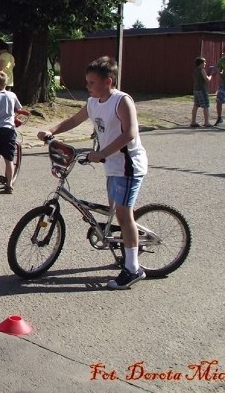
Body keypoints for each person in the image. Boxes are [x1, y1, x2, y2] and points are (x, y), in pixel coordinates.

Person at [37, 56, 148, 290]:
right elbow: (73, 120)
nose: (88, 87)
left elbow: (129, 133)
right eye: (87, 82)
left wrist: (101, 152)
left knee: (123, 213)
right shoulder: (93, 102)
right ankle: (128, 245)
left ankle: (133, 268)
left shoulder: (121, 101)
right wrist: (51, 130)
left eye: (92, 83)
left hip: (128, 164)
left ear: (108, 81)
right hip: (111, 164)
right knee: (115, 212)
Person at [190, 57, 215, 128]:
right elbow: (207, 79)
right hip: (202, 90)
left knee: (196, 105)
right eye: (204, 62)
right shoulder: (202, 70)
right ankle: (207, 122)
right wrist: (211, 75)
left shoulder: (195, 70)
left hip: (196, 89)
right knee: (206, 106)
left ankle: (193, 121)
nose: (205, 64)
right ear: (201, 63)